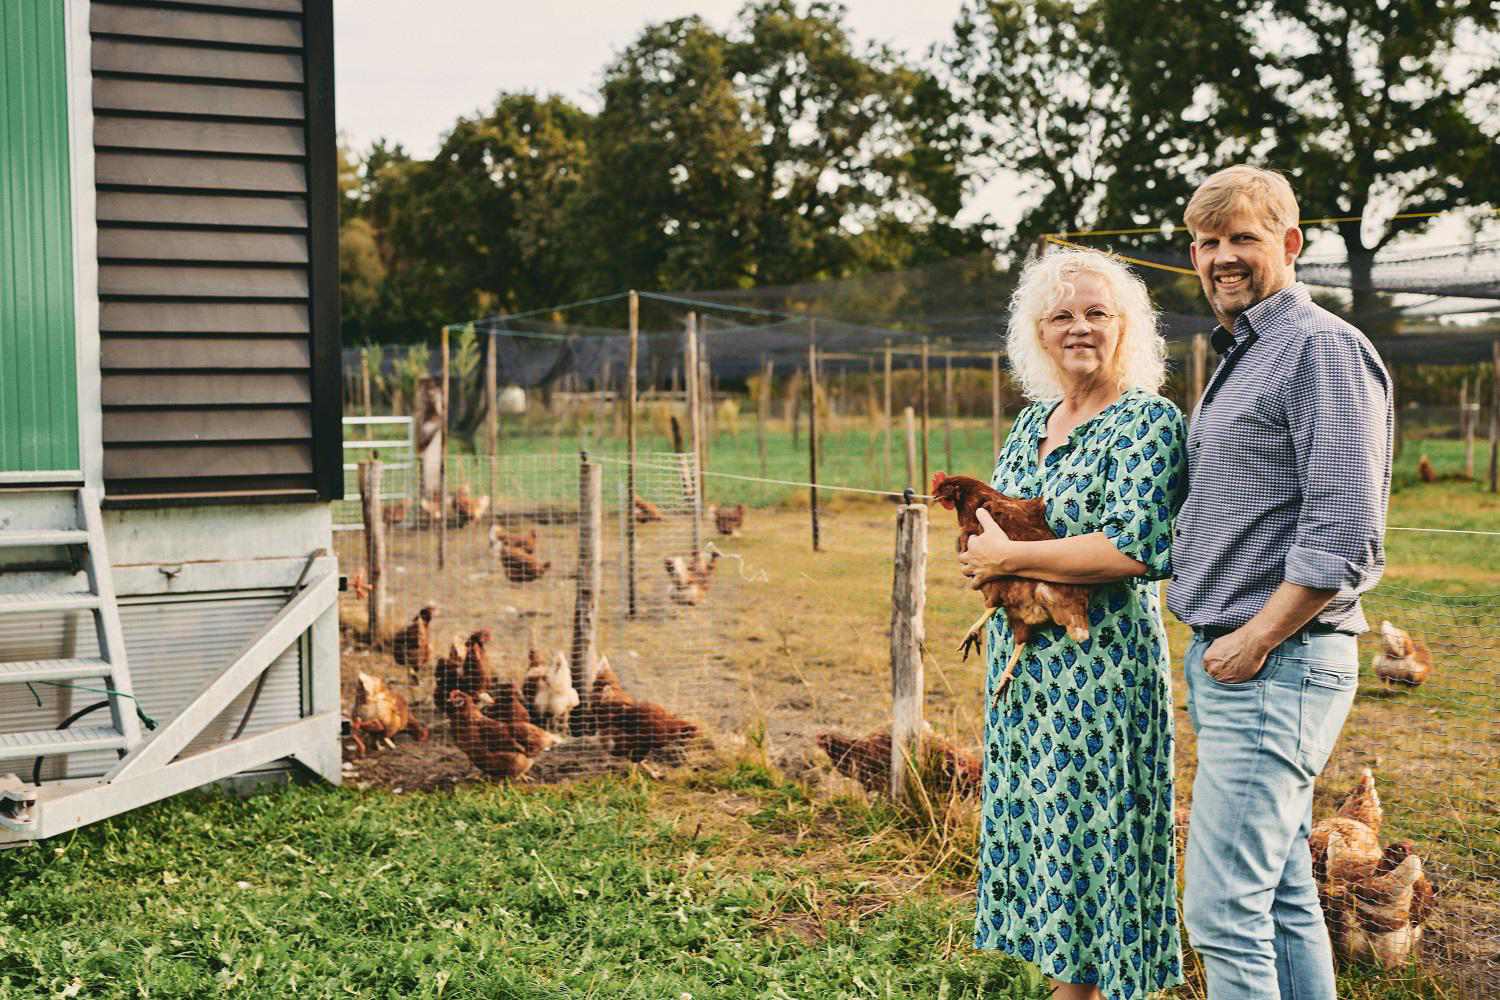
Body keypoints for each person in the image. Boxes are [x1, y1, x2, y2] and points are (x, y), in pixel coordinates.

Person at [1169, 165, 1392, 999]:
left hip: (1277, 663)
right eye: (1206, 242)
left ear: (1290, 243)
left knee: (1224, 908)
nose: (1221, 257)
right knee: (1281, 898)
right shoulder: (1246, 354)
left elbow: (1344, 537)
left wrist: (1254, 640)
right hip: (1244, 663)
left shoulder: (1320, 349)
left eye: (1242, 238)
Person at [958, 248, 1186, 1000]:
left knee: (1099, 832)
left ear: (1127, 328)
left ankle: (1094, 991)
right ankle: (1068, 987)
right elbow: (996, 532)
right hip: (1026, 672)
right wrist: (989, 560)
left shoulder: (1147, 421)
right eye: (1062, 315)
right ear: (1038, 333)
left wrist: (1000, 561)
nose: (1079, 327)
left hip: (1102, 670)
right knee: (1048, 831)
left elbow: (1135, 544)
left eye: (1097, 313)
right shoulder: (1031, 423)